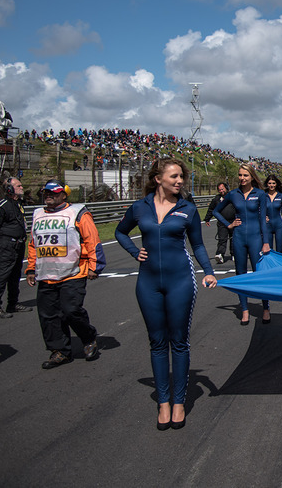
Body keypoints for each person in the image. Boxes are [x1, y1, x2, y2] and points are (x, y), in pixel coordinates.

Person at [115, 158, 217, 431]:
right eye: (174, 176)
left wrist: (208, 271)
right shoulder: (139, 207)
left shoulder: (188, 208)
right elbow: (120, 232)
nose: (180, 180)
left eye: (181, 176)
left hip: (180, 281)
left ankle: (179, 402)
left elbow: (197, 244)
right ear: (158, 178)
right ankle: (163, 402)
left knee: (179, 341)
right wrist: (135, 252)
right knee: (157, 342)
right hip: (148, 283)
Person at [26, 180, 105, 369]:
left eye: (53, 192)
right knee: (49, 315)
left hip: (73, 272)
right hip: (46, 274)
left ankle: (88, 337)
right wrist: (30, 268)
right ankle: (60, 351)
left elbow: (92, 240)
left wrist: (95, 266)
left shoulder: (78, 213)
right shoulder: (38, 214)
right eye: (45, 193)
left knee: (71, 311)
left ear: (64, 194)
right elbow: (33, 244)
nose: (48, 195)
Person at [213, 164, 269, 326]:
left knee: (260, 274)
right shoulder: (233, 194)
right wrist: (228, 224)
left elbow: (263, 221)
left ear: (252, 176)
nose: (242, 178)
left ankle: (266, 307)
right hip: (238, 238)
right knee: (241, 274)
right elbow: (216, 211)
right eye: (240, 175)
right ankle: (245, 309)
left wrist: (265, 242)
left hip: (255, 239)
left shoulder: (260, 194)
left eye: (245, 175)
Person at [0, 177, 33, 318]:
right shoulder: (3, 205)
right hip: (6, 245)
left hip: (18, 245)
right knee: (2, 275)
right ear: (10, 189)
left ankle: (13, 303)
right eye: (18, 186)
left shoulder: (18, 204)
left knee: (15, 276)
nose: (21, 188)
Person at [204, 182, 234, 263]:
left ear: (226, 188)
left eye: (222, 189)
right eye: (219, 190)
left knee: (234, 239)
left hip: (233, 221)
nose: (221, 191)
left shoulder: (232, 197)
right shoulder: (216, 199)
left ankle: (234, 254)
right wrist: (207, 219)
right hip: (222, 222)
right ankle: (220, 254)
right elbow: (211, 209)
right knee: (222, 239)